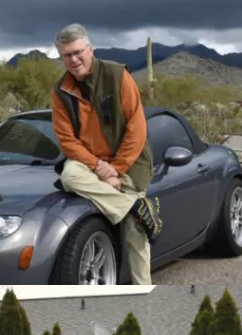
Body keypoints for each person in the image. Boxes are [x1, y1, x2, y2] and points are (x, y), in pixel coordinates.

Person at [49, 22, 162, 285]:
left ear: (90, 49)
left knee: (136, 233)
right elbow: (67, 141)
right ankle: (135, 207)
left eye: (79, 52)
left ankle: (143, 291)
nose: (74, 59)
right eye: (67, 55)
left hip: (130, 163)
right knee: (69, 175)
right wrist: (99, 167)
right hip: (90, 165)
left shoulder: (116, 75)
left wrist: (117, 168)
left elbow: (137, 126)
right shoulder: (60, 91)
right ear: (61, 57)